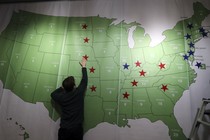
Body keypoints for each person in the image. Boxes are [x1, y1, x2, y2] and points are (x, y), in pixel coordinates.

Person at [51, 58, 88, 140]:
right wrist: (84, 66)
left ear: (64, 88)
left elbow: (53, 94)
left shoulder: (61, 97)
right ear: (74, 86)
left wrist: (61, 88)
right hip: (76, 130)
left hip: (64, 130)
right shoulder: (78, 93)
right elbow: (84, 80)